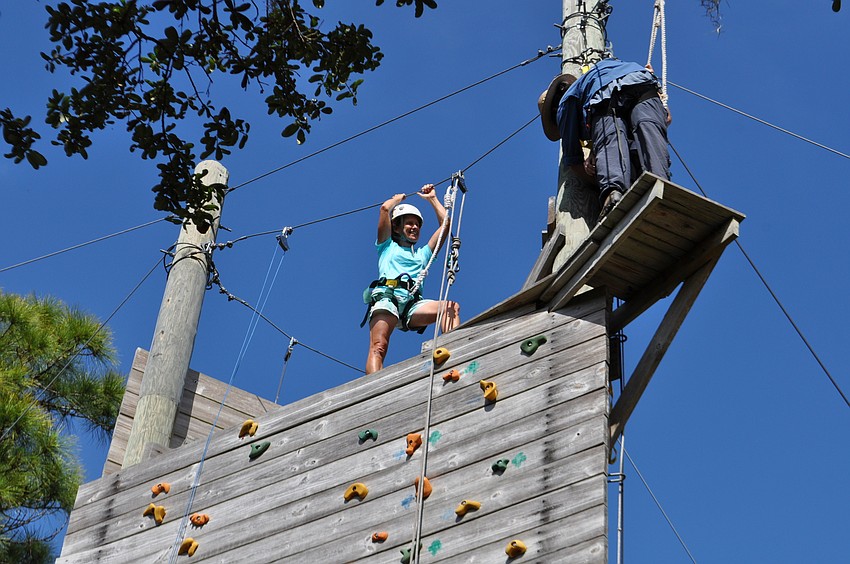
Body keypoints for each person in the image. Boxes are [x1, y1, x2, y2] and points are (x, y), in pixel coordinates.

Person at [539, 58, 671, 219]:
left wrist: (599, 178)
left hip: (604, 95)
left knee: (610, 139)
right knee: (650, 136)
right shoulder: (601, 72)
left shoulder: (565, 103)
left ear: (554, 109)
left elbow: (573, 160)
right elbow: (666, 119)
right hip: (643, 82)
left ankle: (613, 194)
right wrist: (594, 152)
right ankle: (661, 185)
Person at [363, 184, 460, 374]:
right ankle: (373, 389)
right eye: (409, 223)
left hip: (412, 304)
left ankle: (452, 358)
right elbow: (384, 209)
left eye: (417, 224)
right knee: (378, 346)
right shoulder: (387, 246)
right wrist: (396, 200)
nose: (414, 227)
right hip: (387, 298)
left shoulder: (422, 255)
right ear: (397, 227)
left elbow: (445, 226)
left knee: (450, 308)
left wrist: (432, 198)